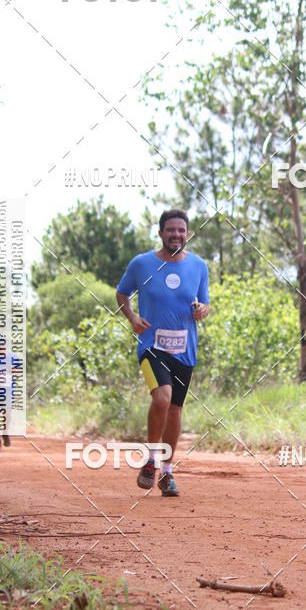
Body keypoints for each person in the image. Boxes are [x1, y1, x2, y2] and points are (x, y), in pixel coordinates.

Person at [116, 209, 210, 497]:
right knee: (162, 398)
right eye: (171, 230)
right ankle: (150, 460)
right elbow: (122, 294)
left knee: (176, 410)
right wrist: (132, 318)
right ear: (160, 233)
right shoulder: (141, 264)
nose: (177, 235)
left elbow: (204, 303)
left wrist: (202, 310)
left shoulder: (199, 266)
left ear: (187, 233)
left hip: (185, 350)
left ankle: (167, 473)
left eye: (182, 230)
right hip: (151, 346)